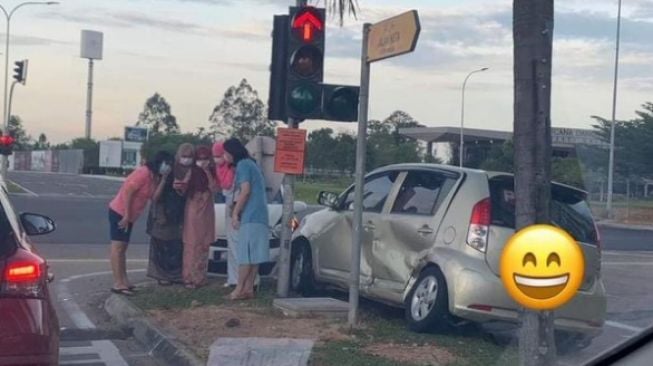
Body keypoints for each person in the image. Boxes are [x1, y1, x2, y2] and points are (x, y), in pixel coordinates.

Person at [108, 151, 168, 296]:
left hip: (130, 216)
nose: (167, 167)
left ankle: (124, 281)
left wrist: (164, 179)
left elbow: (154, 197)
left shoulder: (155, 177)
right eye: (166, 163)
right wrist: (127, 214)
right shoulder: (143, 173)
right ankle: (118, 283)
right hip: (120, 212)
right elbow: (128, 192)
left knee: (123, 248)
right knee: (118, 247)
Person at [223, 138, 269, 300]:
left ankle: (239, 289)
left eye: (225, 153)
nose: (224, 156)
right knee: (255, 255)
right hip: (261, 216)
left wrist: (236, 212)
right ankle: (248, 289)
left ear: (231, 153)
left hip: (250, 216)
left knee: (245, 256)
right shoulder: (252, 164)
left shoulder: (242, 165)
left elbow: (245, 191)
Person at [180, 145, 219, 289]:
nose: (202, 161)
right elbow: (183, 188)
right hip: (193, 211)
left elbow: (214, 188)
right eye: (200, 159)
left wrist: (207, 171)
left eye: (205, 159)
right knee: (191, 245)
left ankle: (200, 278)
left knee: (203, 245)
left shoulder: (212, 172)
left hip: (206, 212)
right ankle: (188, 278)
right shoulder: (191, 172)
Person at [146, 151, 185, 286]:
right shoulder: (155, 176)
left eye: (169, 163)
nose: (167, 166)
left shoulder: (177, 174)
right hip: (160, 216)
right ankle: (161, 276)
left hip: (175, 214)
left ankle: (175, 275)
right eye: (165, 163)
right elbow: (155, 197)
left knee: (174, 247)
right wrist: (163, 179)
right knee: (160, 247)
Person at [213, 141, 237, 288]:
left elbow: (228, 185)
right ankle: (233, 277)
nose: (217, 159)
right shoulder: (219, 168)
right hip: (229, 203)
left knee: (236, 244)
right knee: (231, 245)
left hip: (235, 204)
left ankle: (237, 279)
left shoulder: (235, 168)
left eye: (219, 155)